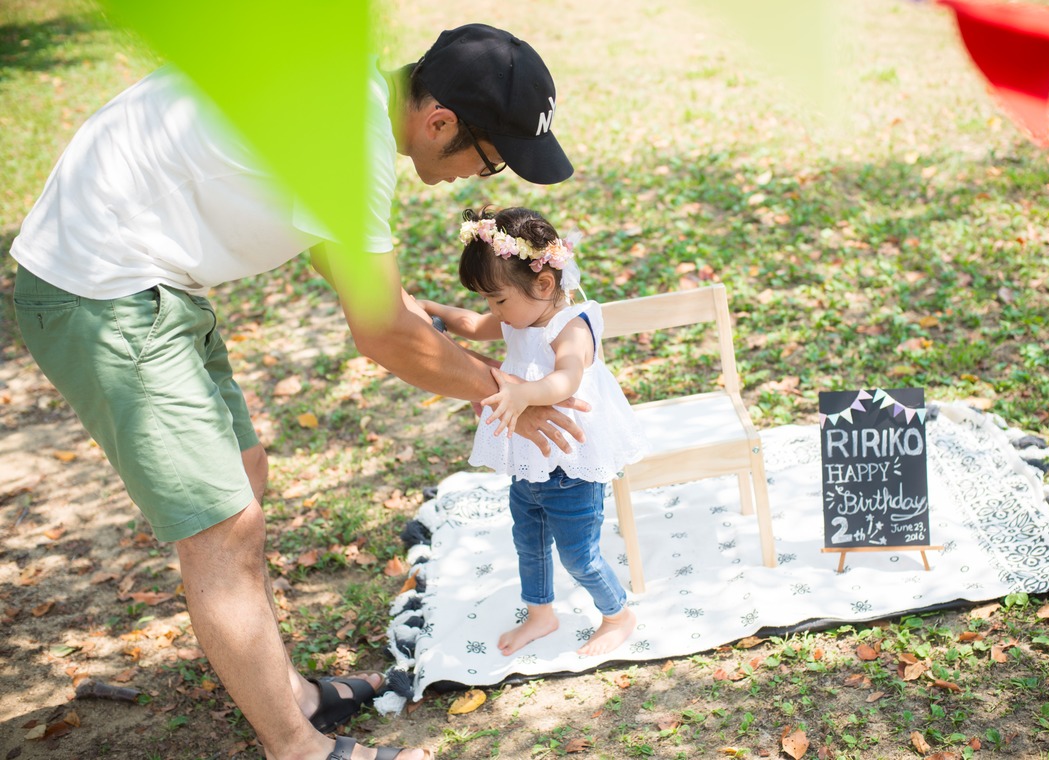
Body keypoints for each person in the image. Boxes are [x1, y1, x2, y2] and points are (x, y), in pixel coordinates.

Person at [9, 24, 582, 760]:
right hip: (102, 292)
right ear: (440, 123)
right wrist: (501, 391)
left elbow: (355, 277)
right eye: (491, 159)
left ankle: (292, 696)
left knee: (242, 475)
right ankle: (295, 746)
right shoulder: (349, 139)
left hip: (151, 282)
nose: (483, 177)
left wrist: (451, 343)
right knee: (222, 528)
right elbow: (381, 333)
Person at [418, 207, 644, 657]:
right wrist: (423, 308)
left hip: (571, 466)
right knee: (529, 543)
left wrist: (526, 393)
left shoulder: (570, 326)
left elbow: (567, 379)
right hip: (529, 461)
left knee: (579, 555)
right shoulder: (517, 317)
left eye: (498, 300)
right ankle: (541, 614)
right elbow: (469, 324)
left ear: (542, 284)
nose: (493, 311)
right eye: (487, 300)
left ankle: (618, 615)